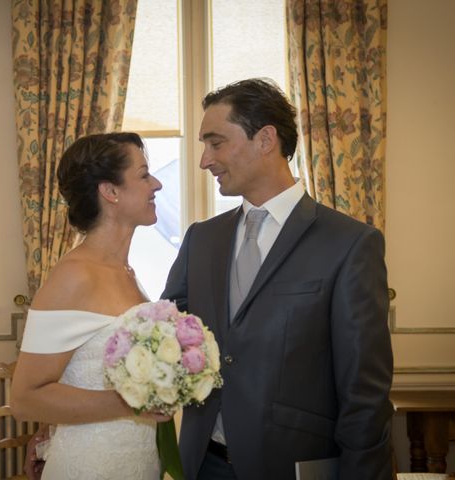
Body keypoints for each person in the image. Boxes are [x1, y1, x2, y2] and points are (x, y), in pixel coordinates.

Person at [161, 78, 394, 479]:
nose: (204, 160)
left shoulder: (350, 244)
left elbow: (364, 392)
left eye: (216, 143)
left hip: (292, 467)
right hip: (203, 465)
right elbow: (165, 335)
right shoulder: (202, 239)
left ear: (265, 139)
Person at [10, 132, 168, 479]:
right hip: (91, 465)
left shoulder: (126, 272)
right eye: (143, 175)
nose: (155, 184)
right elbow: (24, 399)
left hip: (137, 462)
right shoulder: (74, 276)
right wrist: (129, 403)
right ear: (110, 192)